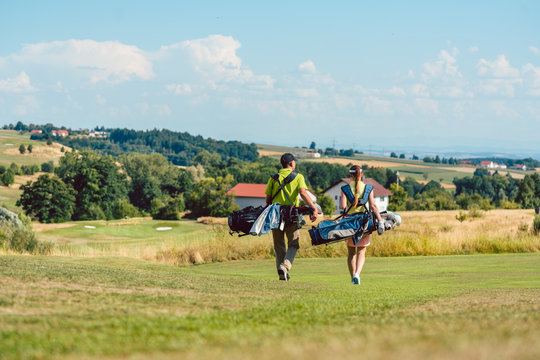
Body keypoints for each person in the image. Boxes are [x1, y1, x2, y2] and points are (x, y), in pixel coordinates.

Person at [265, 153, 318, 281]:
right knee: (293, 244)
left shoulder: (273, 178)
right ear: (292, 163)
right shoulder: (298, 177)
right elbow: (303, 193)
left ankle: (281, 273)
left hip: (275, 216)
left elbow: (268, 200)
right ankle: (285, 266)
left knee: (279, 245)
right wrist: (313, 207)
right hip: (291, 215)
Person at [340, 165, 384, 285]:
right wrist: (380, 221)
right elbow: (373, 206)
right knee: (361, 252)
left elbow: (342, 207)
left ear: (350, 175)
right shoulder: (368, 188)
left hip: (349, 224)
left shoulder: (344, 188)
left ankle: (352, 279)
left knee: (351, 253)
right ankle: (357, 274)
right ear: (361, 175)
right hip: (364, 224)